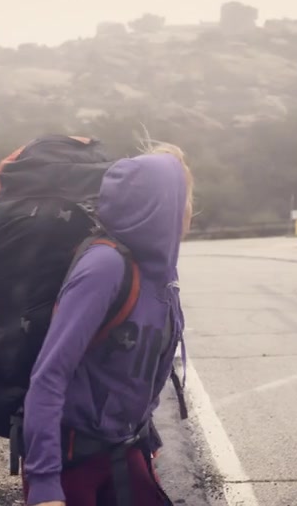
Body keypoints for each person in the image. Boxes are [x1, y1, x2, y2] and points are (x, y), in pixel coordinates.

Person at [21, 142, 193, 506]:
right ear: (160, 205)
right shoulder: (105, 268)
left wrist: (146, 436)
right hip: (71, 461)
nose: (190, 208)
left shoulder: (162, 274)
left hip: (126, 449)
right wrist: (44, 484)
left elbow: (137, 372)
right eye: (184, 197)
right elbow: (49, 375)